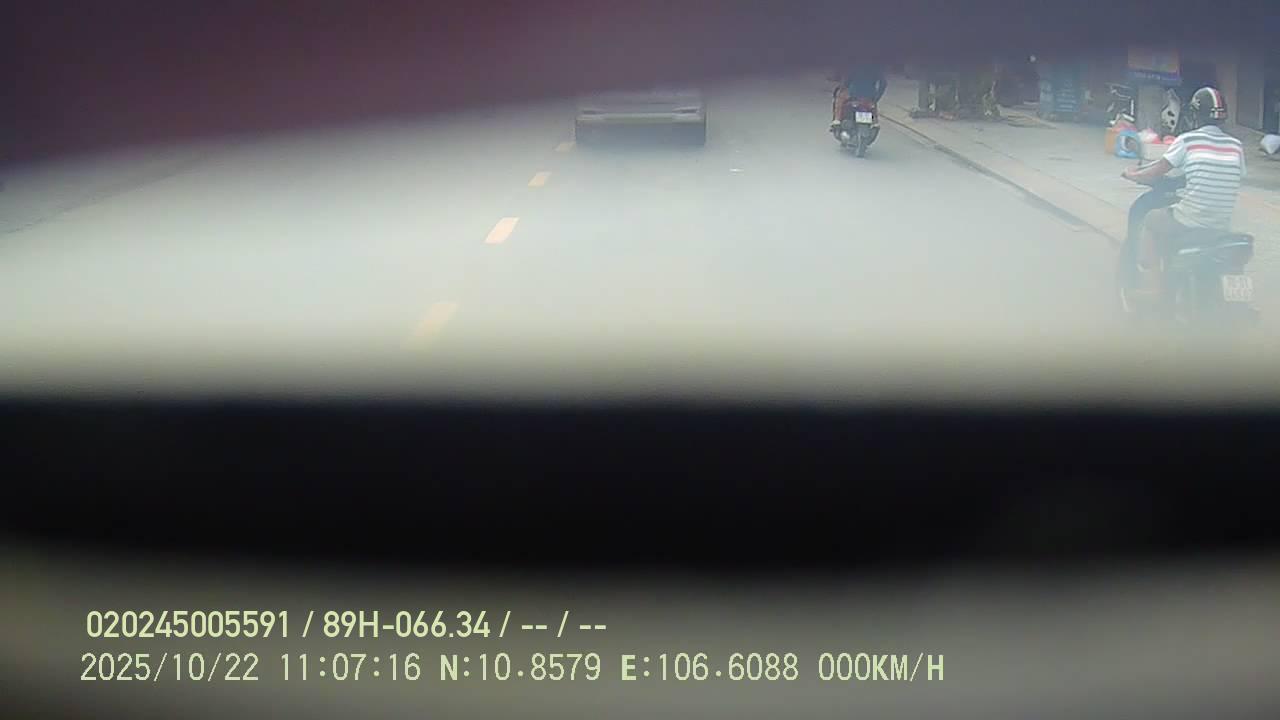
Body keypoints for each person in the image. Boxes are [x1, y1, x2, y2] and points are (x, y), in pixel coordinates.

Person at [1121, 86, 1244, 301]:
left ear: (1195, 115)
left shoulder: (1188, 140)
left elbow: (1157, 170)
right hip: (1221, 225)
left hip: (1190, 220)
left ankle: (1154, 288)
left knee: (1151, 220)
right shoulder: (1237, 146)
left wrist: (1133, 174)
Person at [831, 64, 888, 133]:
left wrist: (843, 87)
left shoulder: (854, 66)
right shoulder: (875, 68)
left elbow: (847, 81)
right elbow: (883, 83)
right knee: (872, 104)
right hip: (869, 95)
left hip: (854, 94)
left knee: (840, 98)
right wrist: (877, 97)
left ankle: (837, 119)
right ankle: (875, 121)